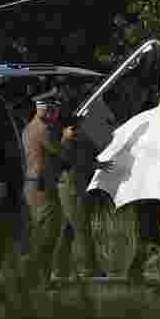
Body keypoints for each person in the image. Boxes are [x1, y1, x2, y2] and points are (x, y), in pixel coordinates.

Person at [22, 88, 73, 285]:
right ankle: (39, 279)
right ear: (44, 109)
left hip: (33, 185)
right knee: (47, 234)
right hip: (42, 186)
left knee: (39, 232)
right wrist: (67, 138)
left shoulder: (29, 128)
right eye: (53, 110)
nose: (55, 114)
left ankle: (36, 277)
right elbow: (62, 153)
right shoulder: (43, 130)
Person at [57, 113, 112, 279]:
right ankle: (89, 268)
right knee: (82, 229)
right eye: (72, 128)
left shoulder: (80, 141)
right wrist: (96, 165)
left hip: (76, 190)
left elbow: (93, 152)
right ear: (64, 129)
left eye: (77, 127)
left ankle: (59, 269)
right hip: (71, 191)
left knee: (68, 231)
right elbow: (74, 163)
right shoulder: (63, 145)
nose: (76, 131)